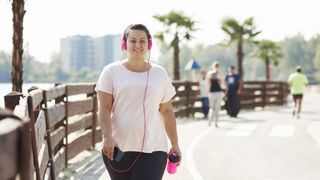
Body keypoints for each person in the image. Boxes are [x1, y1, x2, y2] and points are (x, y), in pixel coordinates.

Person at [95, 24, 181, 180]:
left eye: (142, 41)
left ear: (148, 44)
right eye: (132, 40)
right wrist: (107, 137)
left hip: (154, 148)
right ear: (124, 44)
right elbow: (104, 107)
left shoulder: (159, 73)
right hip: (117, 148)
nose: (137, 45)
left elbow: (167, 111)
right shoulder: (110, 71)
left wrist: (175, 144)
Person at [207, 61, 224, 127]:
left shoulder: (209, 73)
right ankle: (216, 122)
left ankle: (209, 121)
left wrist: (208, 91)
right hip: (218, 92)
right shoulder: (220, 74)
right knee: (217, 108)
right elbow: (222, 84)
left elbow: (208, 84)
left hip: (212, 92)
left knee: (211, 107)